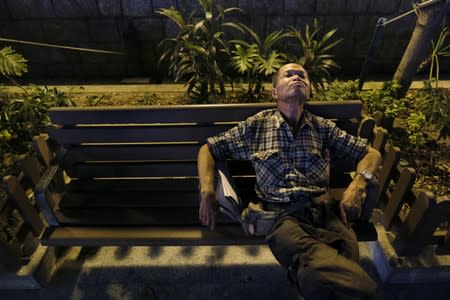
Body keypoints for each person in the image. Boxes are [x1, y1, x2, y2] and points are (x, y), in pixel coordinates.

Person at [197, 63, 382, 299]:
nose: (297, 77)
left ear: (309, 89)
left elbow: (371, 154)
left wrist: (358, 184)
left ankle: (308, 278)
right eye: (289, 74)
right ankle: (368, 289)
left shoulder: (322, 128)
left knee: (325, 276)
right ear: (275, 92)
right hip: (283, 218)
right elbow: (209, 149)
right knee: (352, 282)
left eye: (302, 75)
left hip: (327, 213)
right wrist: (207, 192)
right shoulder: (257, 126)